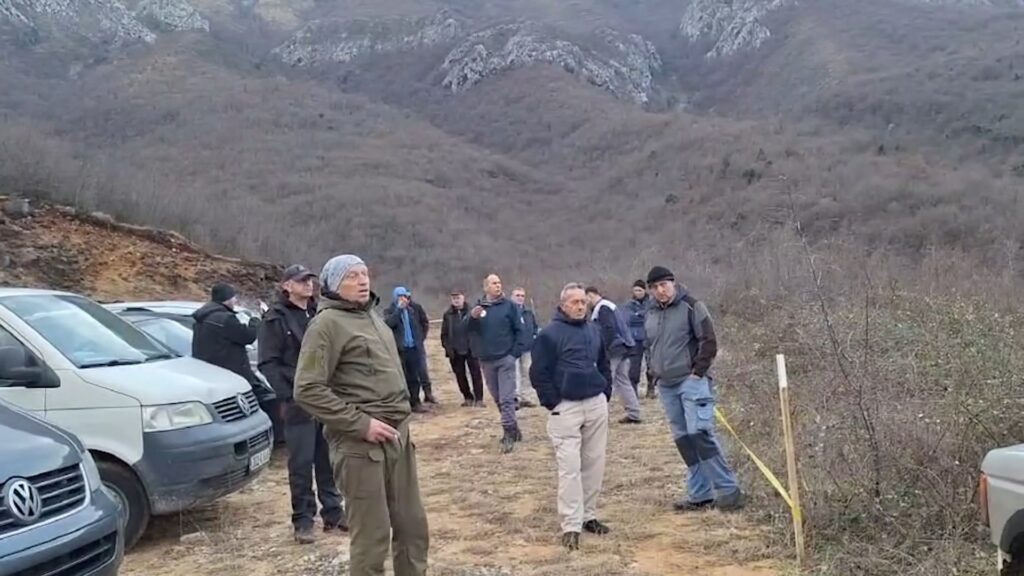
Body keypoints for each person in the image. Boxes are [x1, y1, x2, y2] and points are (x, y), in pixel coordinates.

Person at [294, 255, 429, 576]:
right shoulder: (326, 325)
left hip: (398, 438)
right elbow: (307, 389)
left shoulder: (374, 317)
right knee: (372, 538)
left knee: (412, 527)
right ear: (333, 285)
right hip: (360, 447)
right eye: (352, 276)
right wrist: (361, 424)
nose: (363, 280)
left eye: (364, 273)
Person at [258, 265, 346, 544]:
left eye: (310, 280)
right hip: (297, 401)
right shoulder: (275, 319)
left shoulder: (319, 313)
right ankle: (303, 519)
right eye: (301, 281)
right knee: (301, 462)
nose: (308, 284)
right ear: (287, 286)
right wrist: (289, 394)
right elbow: (268, 363)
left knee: (327, 458)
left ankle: (333, 512)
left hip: (326, 396)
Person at [645, 265, 744, 512]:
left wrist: (697, 373)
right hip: (666, 385)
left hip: (691, 381)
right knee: (684, 440)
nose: (660, 290)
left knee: (700, 434)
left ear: (673, 283)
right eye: (655, 287)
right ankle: (700, 494)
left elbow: (709, 342)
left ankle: (729, 490)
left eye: (664, 285)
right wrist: (653, 373)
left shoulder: (692, 306)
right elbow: (650, 345)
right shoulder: (650, 313)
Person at [531, 283, 612, 552]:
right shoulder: (549, 334)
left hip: (595, 403)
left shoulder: (594, 330)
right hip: (566, 407)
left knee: (594, 463)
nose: (580, 306)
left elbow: (604, 363)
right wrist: (553, 401)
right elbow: (539, 372)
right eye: (574, 302)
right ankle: (571, 525)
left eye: (583, 302)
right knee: (570, 468)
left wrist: (605, 392)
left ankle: (588, 516)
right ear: (563, 304)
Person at [467, 274, 524, 454]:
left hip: (505, 358)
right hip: (486, 360)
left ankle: (508, 432)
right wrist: (472, 318)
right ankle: (514, 429)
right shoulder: (479, 308)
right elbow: (465, 329)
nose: (498, 286)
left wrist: (513, 354)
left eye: (499, 282)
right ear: (486, 287)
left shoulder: (510, 306)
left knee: (507, 398)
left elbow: (520, 330)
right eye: (493, 283)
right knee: (498, 398)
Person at [585, 286, 641, 424]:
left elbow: (608, 330)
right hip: (623, 347)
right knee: (623, 380)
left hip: (613, 349)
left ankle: (599, 415)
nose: (585, 303)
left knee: (604, 380)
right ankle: (634, 412)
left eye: (586, 299)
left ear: (591, 295)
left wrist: (603, 350)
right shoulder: (608, 306)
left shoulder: (602, 308)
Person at [192, 282, 261, 385]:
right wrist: (255, 322)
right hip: (229, 371)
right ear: (227, 299)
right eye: (233, 297)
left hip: (209, 368)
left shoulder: (202, 316)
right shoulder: (226, 319)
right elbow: (247, 337)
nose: (235, 300)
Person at [383, 286, 433, 414]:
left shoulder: (412, 310)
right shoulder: (389, 311)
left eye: (404, 296)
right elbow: (389, 324)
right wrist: (399, 310)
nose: (403, 299)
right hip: (400, 350)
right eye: (400, 296)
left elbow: (422, 324)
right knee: (403, 378)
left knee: (415, 377)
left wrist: (420, 338)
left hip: (414, 348)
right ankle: (404, 403)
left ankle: (416, 402)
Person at [441, 290, 485, 407]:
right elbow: (444, 334)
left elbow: (480, 329)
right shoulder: (448, 315)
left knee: (476, 374)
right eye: (454, 298)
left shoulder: (472, 311)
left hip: (471, 349)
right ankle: (467, 397)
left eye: (458, 298)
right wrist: (448, 348)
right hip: (456, 351)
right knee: (460, 376)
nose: (456, 300)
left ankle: (479, 399)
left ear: (463, 298)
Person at [624, 279, 656, 399]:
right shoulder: (629, 304)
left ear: (644, 290)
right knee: (634, 366)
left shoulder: (652, 302)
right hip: (635, 338)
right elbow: (628, 319)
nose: (637, 293)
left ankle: (651, 388)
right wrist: (641, 315)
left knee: (651, 364)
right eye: (635, 290)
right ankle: (633, 390)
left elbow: (652, 316)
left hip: (649, 337)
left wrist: (639, 315)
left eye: (639, 290)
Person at [511, 287, 540, 408]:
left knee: (527, 373)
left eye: (522, 296)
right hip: (513, 349)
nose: (520, 298)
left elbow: (535, 327)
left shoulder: (528, 313)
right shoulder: (509, 312)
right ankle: (515, 398)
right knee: (515, 374)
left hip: (527, 348)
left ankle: (526, 397)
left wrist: (534, 337)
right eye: (517, 295)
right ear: (512, 297)